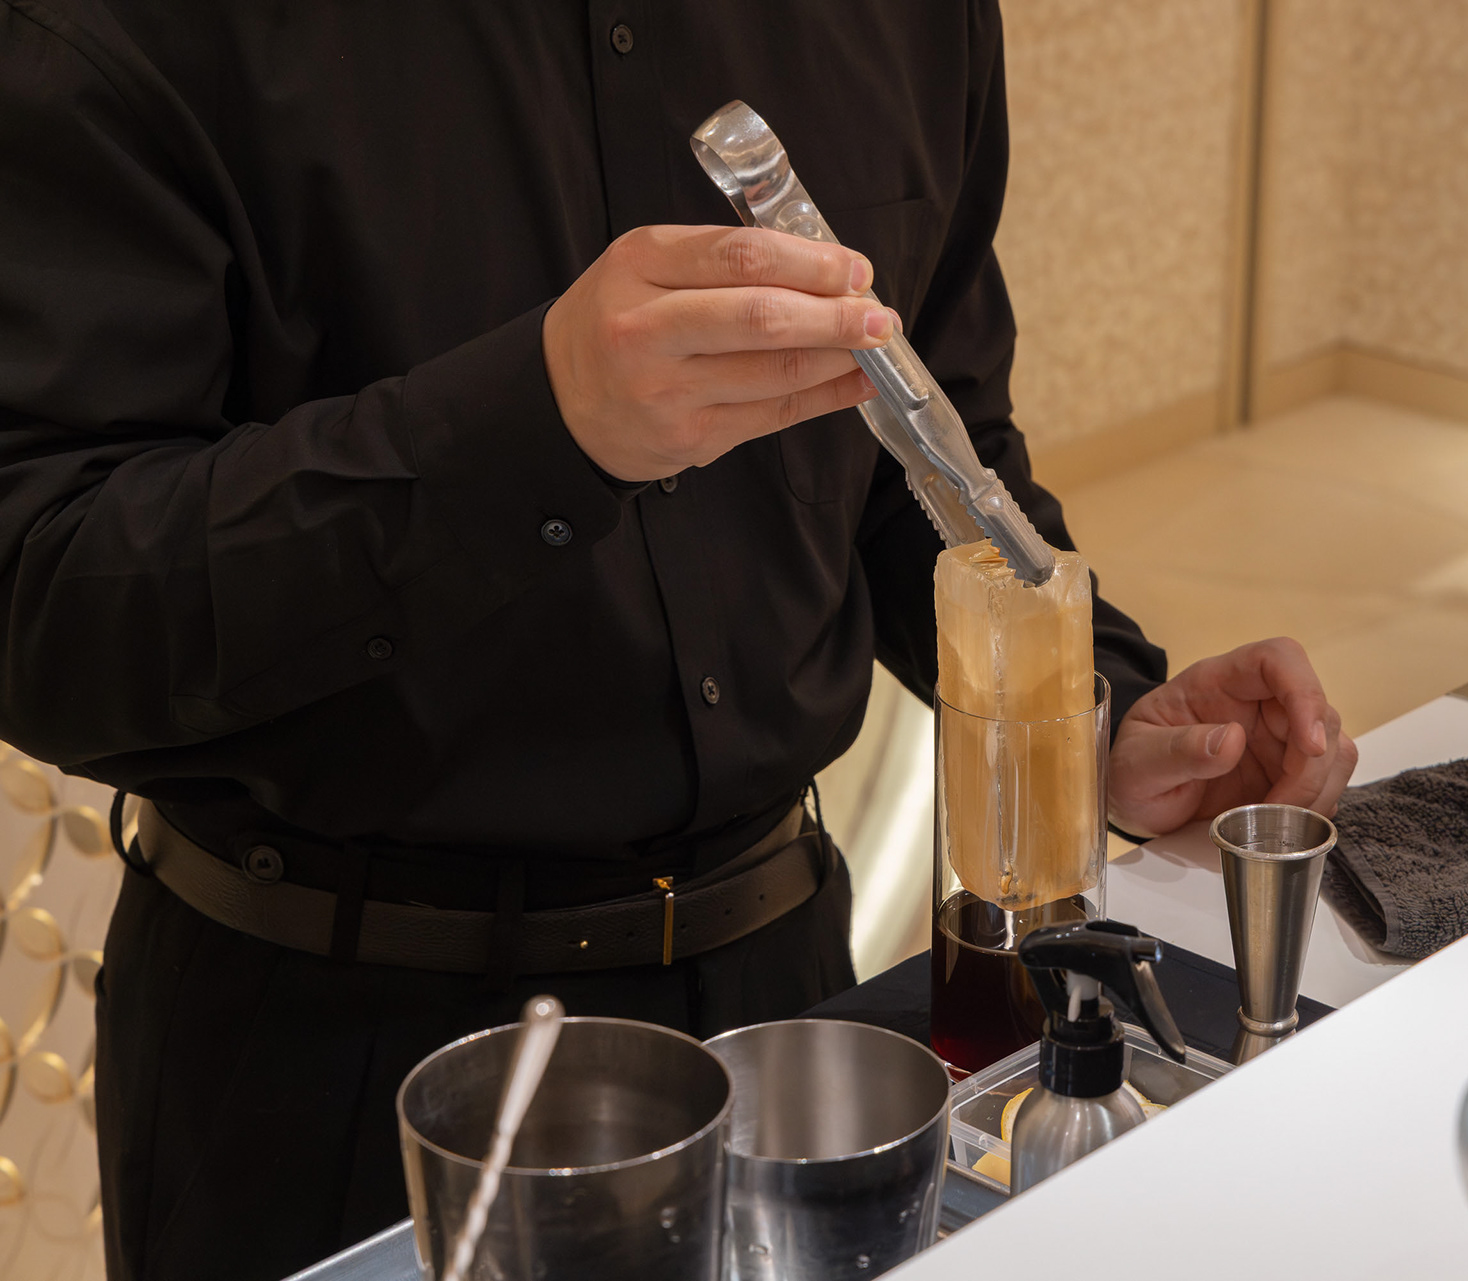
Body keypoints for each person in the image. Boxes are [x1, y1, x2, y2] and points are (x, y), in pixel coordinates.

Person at [0, 1, 1359, 1277]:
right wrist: (532, 424)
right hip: (329, 1063)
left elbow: (928, 439)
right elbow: (39, 594)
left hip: (790, 1001)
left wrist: (1095, 709)